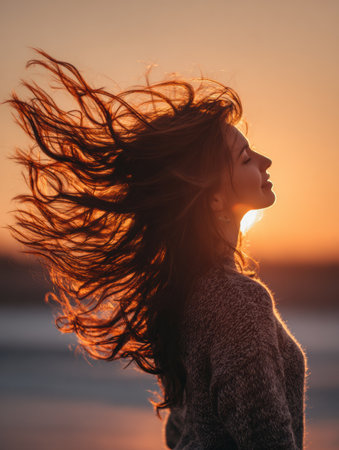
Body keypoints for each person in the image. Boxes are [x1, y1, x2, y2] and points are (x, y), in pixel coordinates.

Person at [7, 49, 308, 449]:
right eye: (246, 158)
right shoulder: (237, 301)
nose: (266, 162)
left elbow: (181, 434)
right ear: (214, 199)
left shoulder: (187, 293)